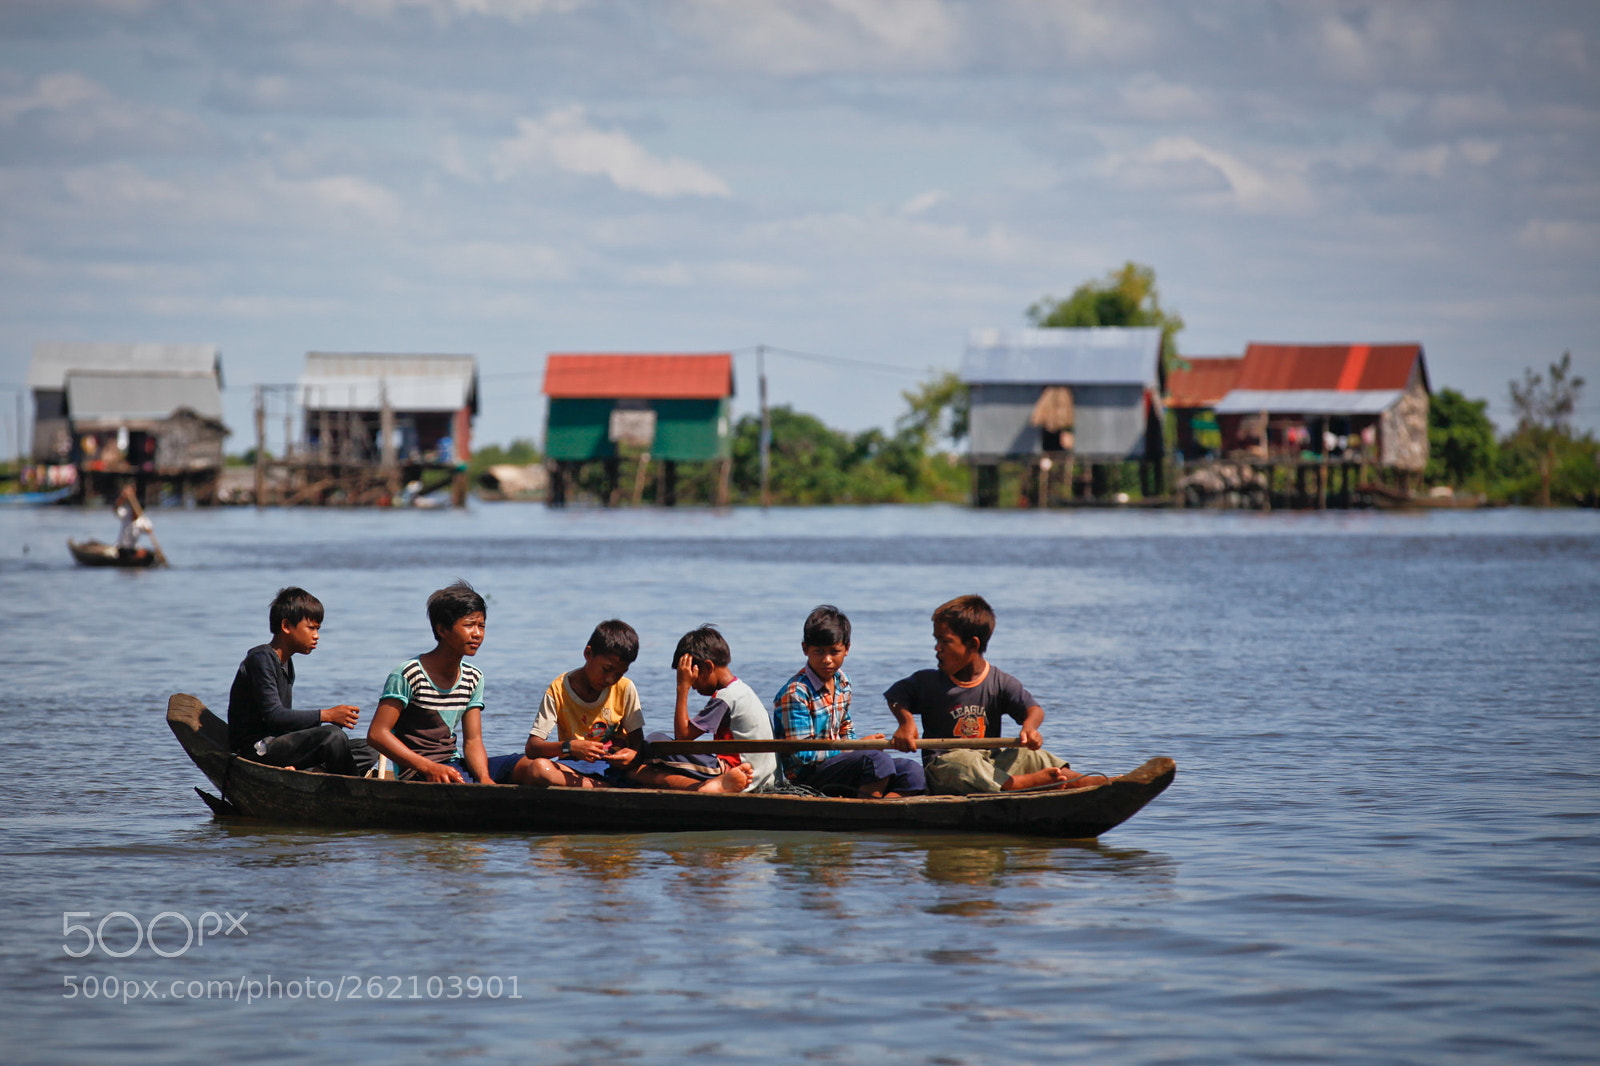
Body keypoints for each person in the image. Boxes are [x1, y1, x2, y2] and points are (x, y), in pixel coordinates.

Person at [886, 594, 1108, 794]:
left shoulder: (999, 682)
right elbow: (895, 696)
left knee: (1033, 755)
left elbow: (1034, 710)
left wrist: (1029, 728)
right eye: (936, 641)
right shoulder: (929, 681)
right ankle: (1023, 784)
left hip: (992, 764)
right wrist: (906, 723)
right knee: (964, 762)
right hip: (946, 768)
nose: (937, 648)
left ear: (972, 645)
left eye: (945, 642)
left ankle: (1085, 782)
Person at [367, 580, 521, 784]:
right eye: (468, 625)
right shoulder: (408, 673)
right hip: (420, 772)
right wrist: (428, 767)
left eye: (481, 626)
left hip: (454, 764)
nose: (477, 634)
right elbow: (377, 734)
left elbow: (473, 741)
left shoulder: (473, 677)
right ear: (442, 630)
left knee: (532, 767)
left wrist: (484, 779)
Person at [772, 605, 924, 798]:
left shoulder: (843, 682)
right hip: (807, 775)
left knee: (912, 771)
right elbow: (802, 754)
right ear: (805, 649)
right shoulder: (796, 693)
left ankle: (881, 808)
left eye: (834, 651)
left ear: (847, 649)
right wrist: (856, 748)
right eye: (819, 652)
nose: (827, 659)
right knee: (877, 760)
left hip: (838, 764)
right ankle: (865, 812)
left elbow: (846, 729)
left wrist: (858, 747)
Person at [227, 587, 377, 777]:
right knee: (333, 736)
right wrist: (327, 715)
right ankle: (352, 791)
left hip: (279, 742)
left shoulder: (286, 663)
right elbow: (274, 716)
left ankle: (317, 773)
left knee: (369, 748)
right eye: (311, 628)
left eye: (318, 629)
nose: (316, 636)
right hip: (257, 749)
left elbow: (283, 723)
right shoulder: (261, 659)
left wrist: (317, 729)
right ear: (287, 626)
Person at [630, 625, 774, 793]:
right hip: (764, 775)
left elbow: (682, 738)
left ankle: (717, 783)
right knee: (651, 763)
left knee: (654, 741)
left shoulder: (725, 697)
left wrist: (682, 688)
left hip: (740, 773)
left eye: (693, 678)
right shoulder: (742, 690)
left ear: (708, 667)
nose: (693, 685)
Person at [512, 619, 650, 789]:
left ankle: (602, 784)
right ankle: (603, 787)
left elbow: (638, 743)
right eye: (606, 669)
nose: (610, 679)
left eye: (619, 674)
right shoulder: (559, 689)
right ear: (588, 653)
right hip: (574, 768)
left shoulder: (625, 688)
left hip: (614, 768)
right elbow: (533, 748)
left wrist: (632, 755)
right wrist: (570, 747)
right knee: (540, 769)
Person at [113, 486, 153, 560]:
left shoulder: (142, 520)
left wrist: (147, 529)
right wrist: (122, 497)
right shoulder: (126, 514)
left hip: (133, 548)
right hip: (121, 548)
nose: (133, 513)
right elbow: (115, 509)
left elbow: (149, 530)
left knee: (149, 554)